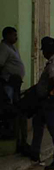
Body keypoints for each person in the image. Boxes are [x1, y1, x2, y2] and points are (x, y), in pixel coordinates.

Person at [29, 37, 54, 170]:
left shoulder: (53, 64)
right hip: (50, 101)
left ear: (47, 50)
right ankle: (35, 151)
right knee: (38, 122)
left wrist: (47, 92)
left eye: (43, 50)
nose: (42, 53)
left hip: (52, 100)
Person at [0, 26, 27, 154]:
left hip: (15, 84)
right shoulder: (4, 48)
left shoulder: (12, 47)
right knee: (10, 109)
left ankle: (19, 139)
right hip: (8, 84)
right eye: (13, 35)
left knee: (17, 108)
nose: (16, 37)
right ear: (7, 36)